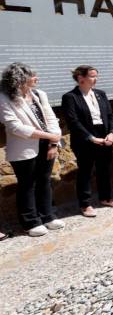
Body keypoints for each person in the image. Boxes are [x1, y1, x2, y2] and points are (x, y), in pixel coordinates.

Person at [0, 62, 65, 236]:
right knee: (27, 184)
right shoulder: (4, 98)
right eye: (32, 75)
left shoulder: (39, 94)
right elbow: (15, 127)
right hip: (24, 148)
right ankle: (30, 222)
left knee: (44, 181)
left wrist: (53, 142)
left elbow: (51, 119)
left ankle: (48, 216)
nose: (37, 78)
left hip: (47, 143)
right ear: (20, 79)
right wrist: (49, 137)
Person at [61, 65, 113, 218]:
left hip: (104, 135)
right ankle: (85, 204)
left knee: (104, 169)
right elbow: (73, 122)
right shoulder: (70, 97)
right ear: (81, 78)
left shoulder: (100, 94)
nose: (96, 79)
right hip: (85, 139)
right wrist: (91, 138)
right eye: (92, 76)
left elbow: (110, 116)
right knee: (85, 172)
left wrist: (112, 133)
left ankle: (106, 198)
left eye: (96, 76)